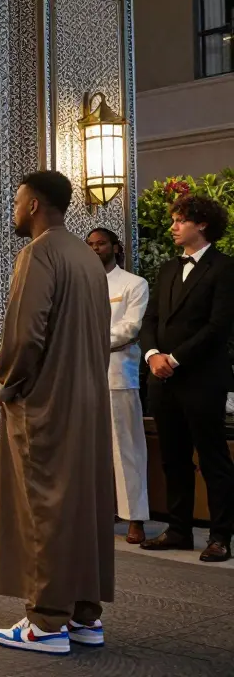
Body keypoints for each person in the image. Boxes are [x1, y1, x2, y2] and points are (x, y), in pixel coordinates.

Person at [0, 170, 113, 654]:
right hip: (87, 399)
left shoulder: (38, 253)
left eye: (18, 201)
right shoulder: (86, 257)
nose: (14, 210)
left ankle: (44, 622)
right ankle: (85, 615)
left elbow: (26, 334)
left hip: (45, 401)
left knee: (42, 505)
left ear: (36, 205)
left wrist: (2, 385)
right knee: (81, 504)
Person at [139, 193, 234, 563]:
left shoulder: (225, 267)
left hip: (202, 378)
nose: (173, 226)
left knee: (213, 459)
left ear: (202, 224)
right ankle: (178, 530)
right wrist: (151, 355)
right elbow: (150, 320)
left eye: (180, 220)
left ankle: (220, 535)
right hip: (162, 379)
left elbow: (218, 327)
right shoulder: (166, 269)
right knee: (173, 458)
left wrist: (173, 358)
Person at [87, 228, 150, 545]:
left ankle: (135, 517)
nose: (95, 249)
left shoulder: (134, 284)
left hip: (117, 373)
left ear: (115, 247)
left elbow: (130, 328)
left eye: (100, 244)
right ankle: (99, 512)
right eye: (91, 245)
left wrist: (88, 341)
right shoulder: (80, 285)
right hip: (82, 375)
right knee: (90, 450)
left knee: (127, 448)